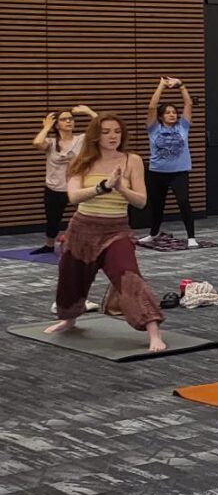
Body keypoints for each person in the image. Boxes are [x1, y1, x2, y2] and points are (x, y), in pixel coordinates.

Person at [46, 113, 167, 353]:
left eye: (117, 131)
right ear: (95, 135)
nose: (112, 136)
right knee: (71, 277)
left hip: (116, 230)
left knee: (129, 275)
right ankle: (69, 319)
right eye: (106, 131)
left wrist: (121, 187)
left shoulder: (132, 160)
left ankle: (154, 330)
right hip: (82, 229)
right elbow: (74, 196)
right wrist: (103, 187)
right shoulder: (82, 160)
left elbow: (141, 201)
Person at [143, 77, 198, 246]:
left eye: (174, 112)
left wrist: (181, 86)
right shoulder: (153, 128)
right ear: (160, 117)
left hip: (179, 173)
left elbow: (188, 105)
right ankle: (153, 233)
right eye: (167, 112)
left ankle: (191, 237)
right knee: (157, 205)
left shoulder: (182, 126)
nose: (172, 114)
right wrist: (161, 85)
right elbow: (152, 106)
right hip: (157, 172)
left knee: (183, 202)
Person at [31, 104, 93, 253]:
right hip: (54, 188)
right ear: (57, 124)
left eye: (71, 119)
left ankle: (88, 244)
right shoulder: (51, 143)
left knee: (85, 217)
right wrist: (46, 127)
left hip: (77, 187)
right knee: (53, 219)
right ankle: (49, 245)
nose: (69, 122)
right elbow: (37, 143)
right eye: (64, 119)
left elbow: (101, 128)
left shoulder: (81, 139)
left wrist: (88, 112)